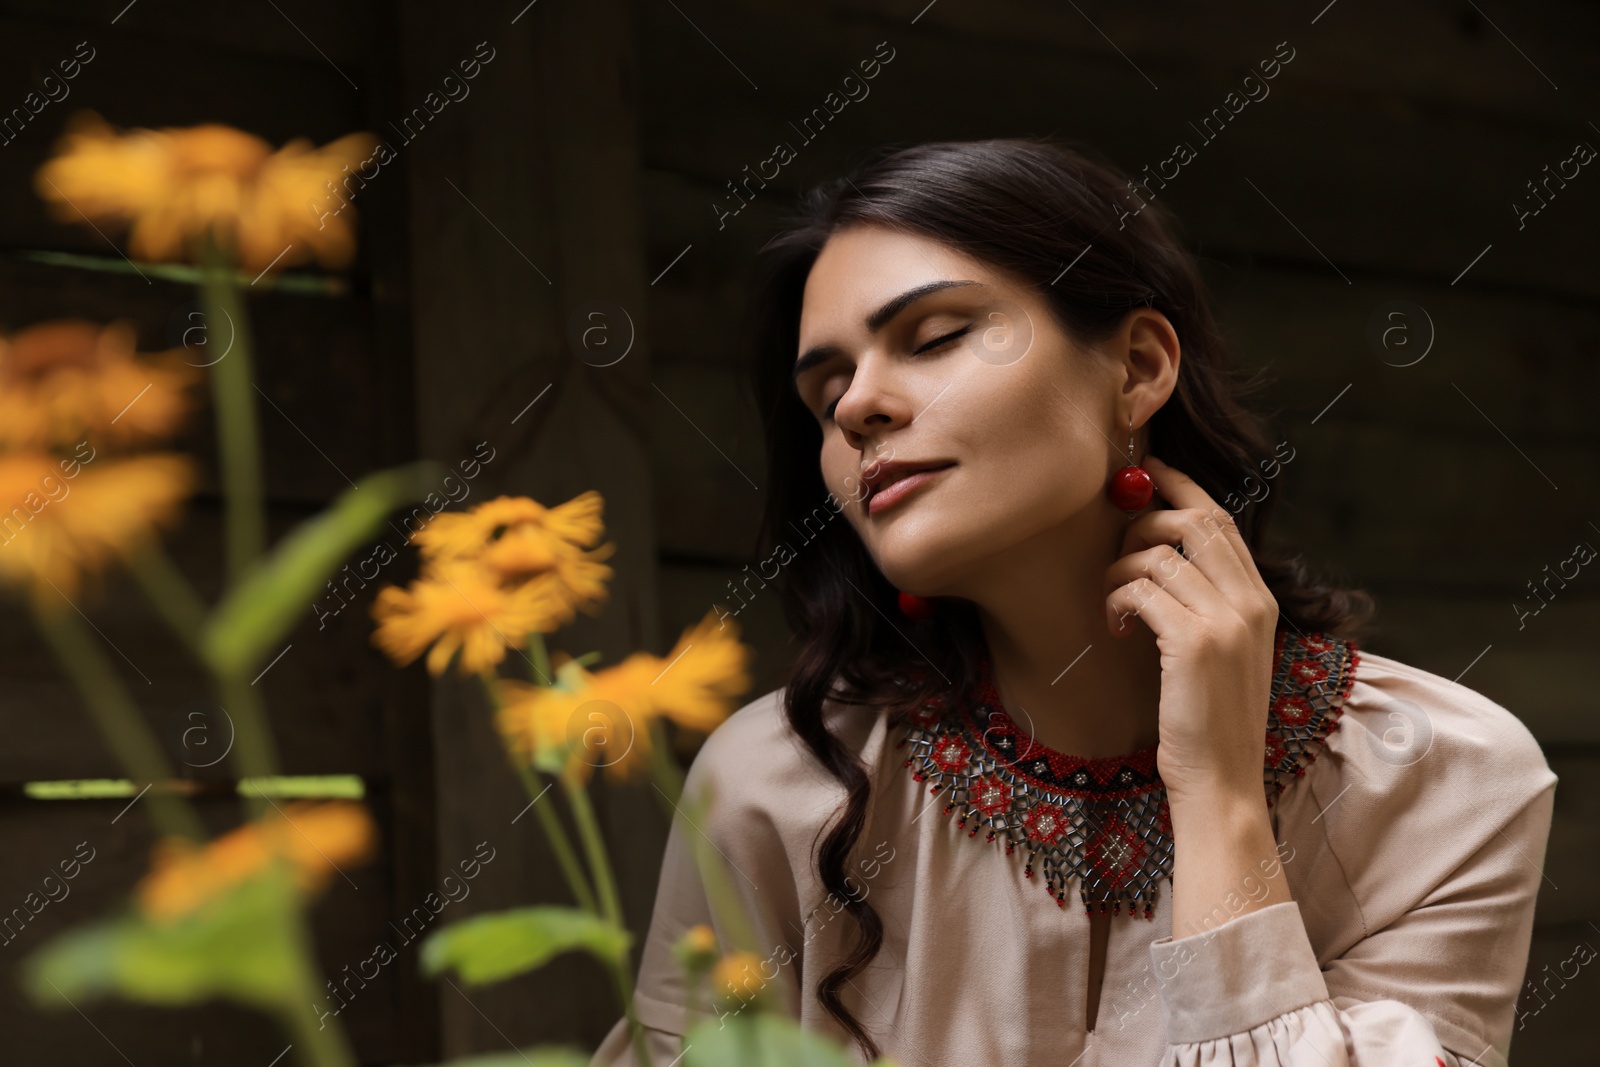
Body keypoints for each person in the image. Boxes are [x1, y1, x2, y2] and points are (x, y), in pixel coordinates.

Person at [590, 138, 1557, 1066]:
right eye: (827, 389)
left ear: (1137, 369)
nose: (854, 409)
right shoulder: (777, 788)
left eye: (932, 337)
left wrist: (1219, 796)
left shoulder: (1444, 781)